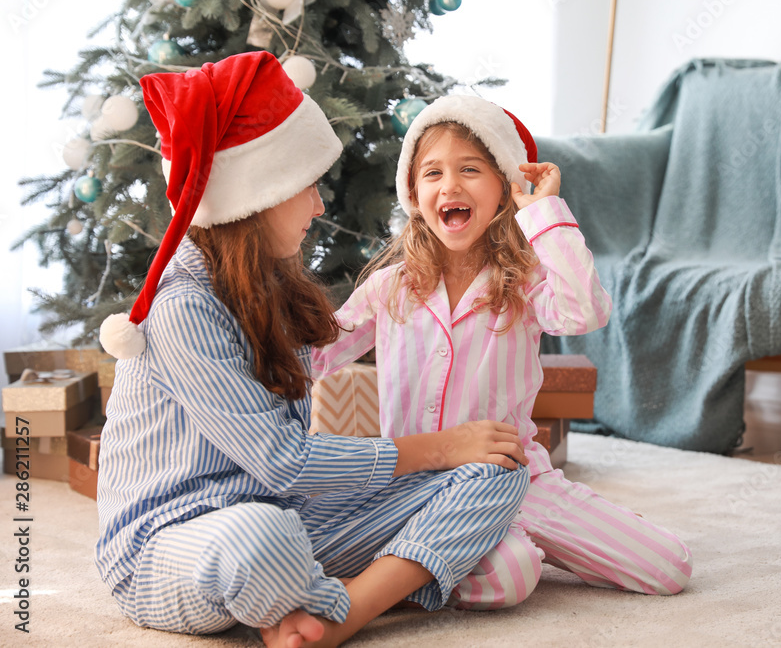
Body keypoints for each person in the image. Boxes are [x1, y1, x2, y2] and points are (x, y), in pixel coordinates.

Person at [95, 52, 530, 648]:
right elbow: (282, 460)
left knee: (496, 472)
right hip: (172, 542)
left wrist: (458, 455)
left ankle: (341, 614)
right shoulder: (184, 306)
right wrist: (436, 447)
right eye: (307, 187)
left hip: (286, 511)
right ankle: (318, 592)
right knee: (264, 536)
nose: (320, 206)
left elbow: (287, 477)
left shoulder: (266, 281)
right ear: (257, 194)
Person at [312, 95, 693, 610]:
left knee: (670, 566)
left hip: (515, 479)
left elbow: (584, 314)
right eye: (432, 173)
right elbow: (316, 355)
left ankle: (434, 555)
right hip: (415, 489)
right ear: (413, 193)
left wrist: (543, 214)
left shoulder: (527, 282)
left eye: (470, 169)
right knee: (510, 575)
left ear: (504, 189)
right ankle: (420, 560)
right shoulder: (391, 288)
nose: (450, 185)